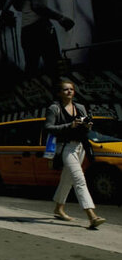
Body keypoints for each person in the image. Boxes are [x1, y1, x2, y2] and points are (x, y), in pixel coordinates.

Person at [44, 80, 105, 229]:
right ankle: (92, 216)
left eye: (71, 89)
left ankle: (58, 208)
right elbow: (49, 127)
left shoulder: (80, 107)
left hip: (80, 146)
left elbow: (85, 128)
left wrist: (87, 125)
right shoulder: (54, 108)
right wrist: (69, 125)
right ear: (59, 93)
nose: (69, 92)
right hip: (65, 147)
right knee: (79, 179)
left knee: (68, 179)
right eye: (65, 90)